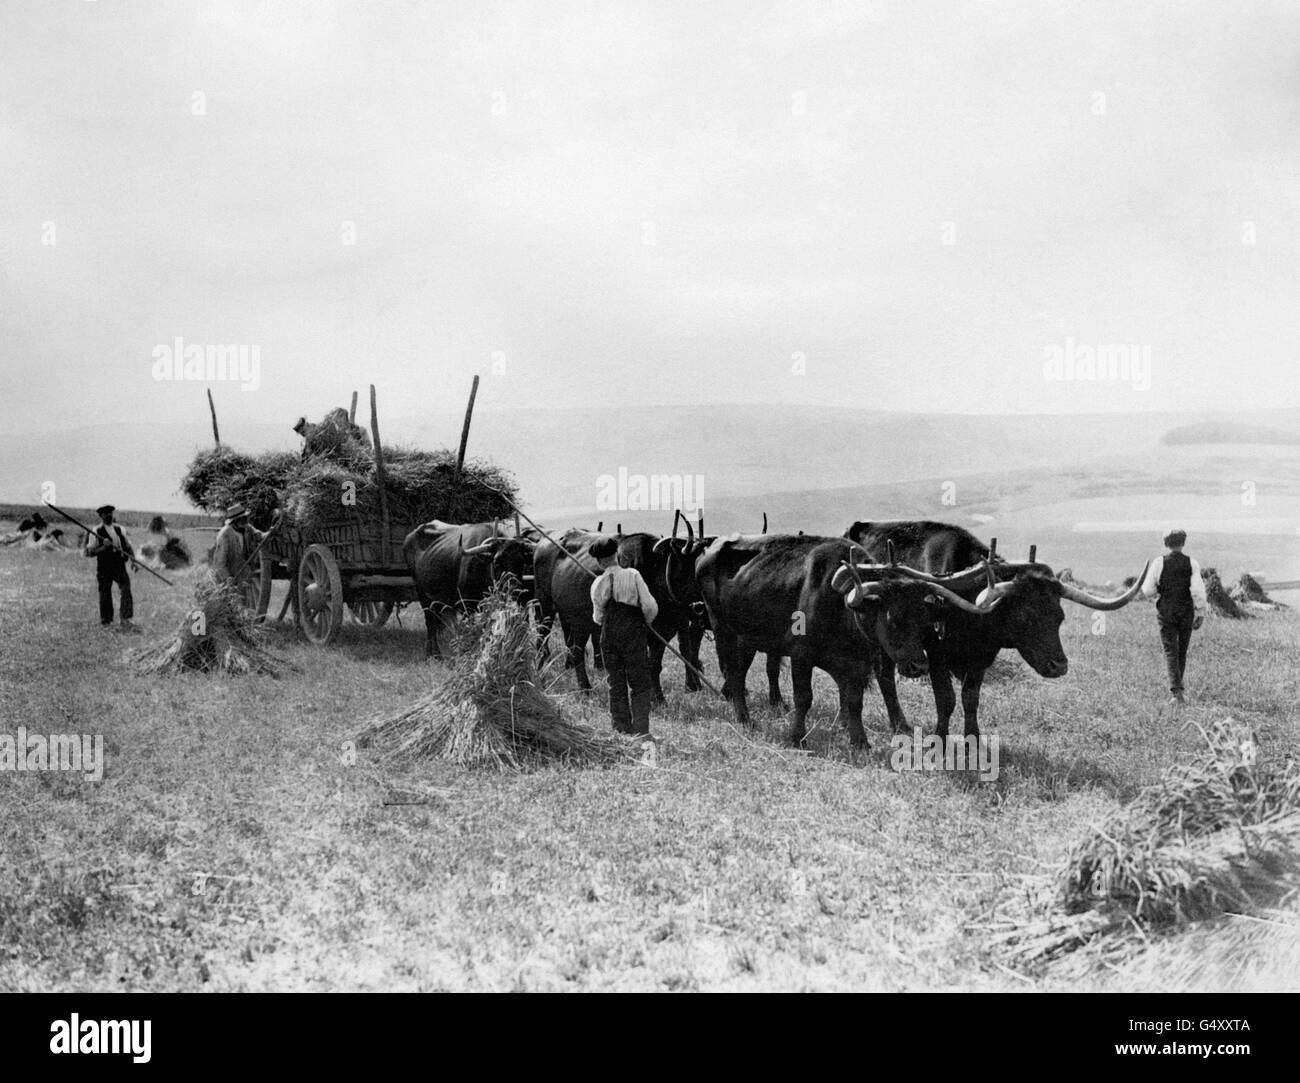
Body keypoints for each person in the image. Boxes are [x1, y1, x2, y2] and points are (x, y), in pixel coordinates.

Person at [590, 539, 659, 737]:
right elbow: (650, 607)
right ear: (617, 555)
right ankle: (641, 730)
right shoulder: (633, 575)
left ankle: (621, 730)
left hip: (609, 637)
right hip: (634, 635)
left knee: (615, 683)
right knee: (640, 683)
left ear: (600, 562)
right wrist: (642, 622)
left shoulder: (597, 583)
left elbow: (598, 618)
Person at [1139, 528, 1207, 706]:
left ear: (1165, 543)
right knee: (1181, 650)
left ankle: (1176, 693)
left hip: (1166, 610)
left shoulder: (1159, 563)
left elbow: (1147, 590)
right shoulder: (1192, 563)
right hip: (1186, 610)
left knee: (1170, 650)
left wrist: (1160, 592)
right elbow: (1198, 591)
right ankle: (1178, 690)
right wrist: (1200, 612)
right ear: (1183, 543)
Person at [84, 504, 140, 633]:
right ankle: (107, 622)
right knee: (105, 592)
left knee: (126, 588)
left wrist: (133, 561)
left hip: (119, 564)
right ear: (101, 516)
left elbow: (128, 546)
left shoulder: (120, 529)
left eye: (110, 513)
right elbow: (89, 552)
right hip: (104, 566)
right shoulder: (96, 531)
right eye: (105, 513)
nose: (108, 515)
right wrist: (103, 547)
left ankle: (125, 619)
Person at [211, 503, 276, 602]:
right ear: (235, 521)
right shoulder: (225, 535)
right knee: (227, 602)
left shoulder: (247, 528)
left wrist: (269, 534)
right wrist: (228, 579)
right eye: (243, 518)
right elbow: (219, 563)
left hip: (242, 572)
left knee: (242, 601)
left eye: (245, 517)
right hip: (226, 574)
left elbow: (259, 536)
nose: (246, 520)